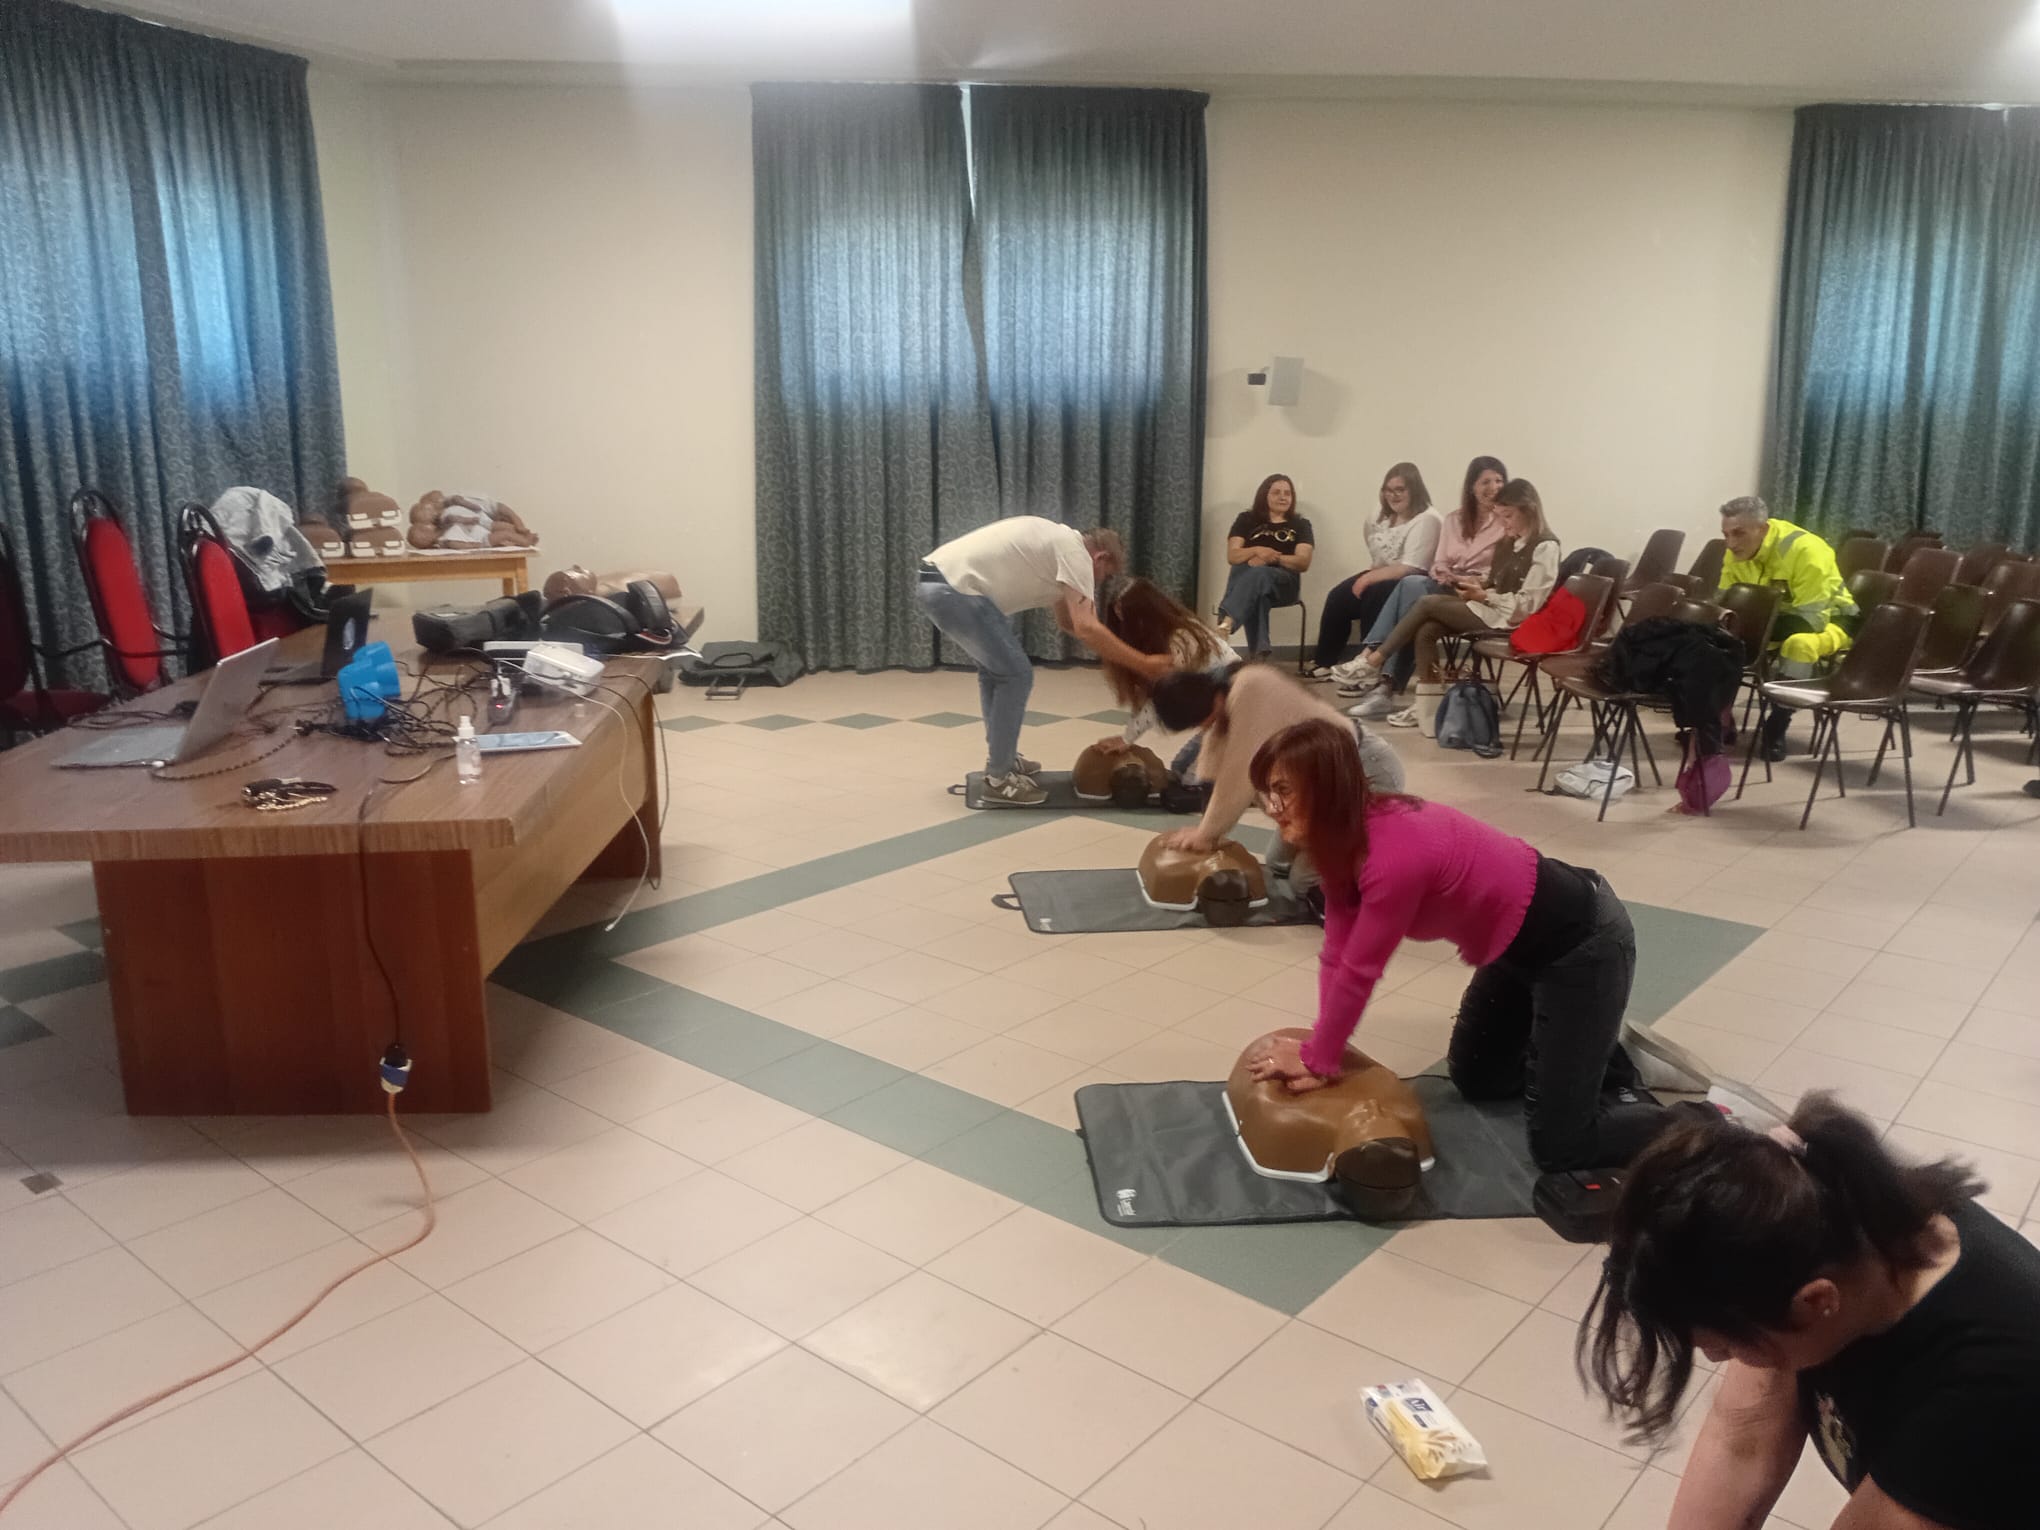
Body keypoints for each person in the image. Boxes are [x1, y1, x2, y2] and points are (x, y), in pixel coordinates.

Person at [1582, 1092, 2040, 1530]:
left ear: (1816, 1302)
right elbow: (1743, 1433)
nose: (1718, 1358)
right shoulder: (1816, 1229)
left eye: (1726, 1344)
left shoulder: (1993, 1380)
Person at [1242, 716, 1670, 1173]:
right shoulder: (1339, 844)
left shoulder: (1392, 856)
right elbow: (1336, 957)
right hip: (1513, 950)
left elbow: (1360, 971)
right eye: (1268, 792)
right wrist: (1320, 1053)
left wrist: (1320, 1059)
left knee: (1563, 1148)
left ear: (1325, 788)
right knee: (1479, 1079)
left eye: (1283, 791)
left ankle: (1701, 1119)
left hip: (1581, 944)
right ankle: (1595, 1049)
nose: (1272, 807)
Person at [917, 516, 1138, 805]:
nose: (1100, 581)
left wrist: (1113, 654)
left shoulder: (1060, 546)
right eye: (1106, 574)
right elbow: (1087, 626)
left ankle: (1003, 759)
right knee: (1016, 675)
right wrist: (1141, 663)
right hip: (956, 589)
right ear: (1101, 557)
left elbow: (1069, 622)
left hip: (937, 583)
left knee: (996, 672)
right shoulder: (1075, 552)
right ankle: (999, 779)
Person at [1149, 667, 1404, 891]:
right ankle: (1341, 849)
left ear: (1211, 700)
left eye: (1200, 722)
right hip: (1316, 785)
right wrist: (1206, 831)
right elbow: (1216, 770)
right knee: (1277, 862)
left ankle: (1376, 861)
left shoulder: (1250, 687)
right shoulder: (1225, 701)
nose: (1203, 727)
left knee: (1304, 882)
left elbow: (1239, 775)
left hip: (1361, 770)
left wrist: (1206, 833)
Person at [1350, 478, 1560, 735]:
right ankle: (1428, 704)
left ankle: (1374, 659)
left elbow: (1527, 605)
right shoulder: (1509, 541)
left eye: (1508, 516)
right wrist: (1474, 583)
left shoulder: (1545, 547)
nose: (1504, 523)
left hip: (1514, 620)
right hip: (1494, 608)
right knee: (1426, 630)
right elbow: (1497, 580)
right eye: (1501, 516)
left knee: (1427, 602)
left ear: (1529, 511)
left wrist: (1484, 596)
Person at [1337, 454, 1511, 701]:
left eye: (1499, 481)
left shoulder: (1508, 522)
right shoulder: (1454, 520)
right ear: (1472, 486)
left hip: (1480, 594)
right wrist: (1444, 572)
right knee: (1412, 585)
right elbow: (1439, 561)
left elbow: (1503, 572)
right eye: (1485, 482)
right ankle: (1378, 672)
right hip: (1449, 585)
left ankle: (1375, 668)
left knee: (1414, 597)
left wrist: (1476, 580)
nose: (1493, 488)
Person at [1718, 495, 1856, 763]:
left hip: (1832, 618)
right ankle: (1720, 720)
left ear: (1763, 529)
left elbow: (1812, 620)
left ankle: (1777, 725)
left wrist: (1753, 630)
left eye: (1739, 533)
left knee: (1799, 645)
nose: (1731, 543)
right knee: (1722, 640)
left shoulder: (1806, 550)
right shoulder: (1734, 553)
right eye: (1726, 535)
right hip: (1775, 619)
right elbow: (1725, 601)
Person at [1090, 576, 1237, 779]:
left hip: (1233, 706)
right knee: (1178, 768)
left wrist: (1127, 738)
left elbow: (1162, 698)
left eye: (1128, 620)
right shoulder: (1157, 636)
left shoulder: (1182, 639)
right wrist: (1128, 736)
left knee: (1193, 782)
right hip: (1213, 704)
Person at [1308, 463, 1443, 678]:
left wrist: (1368, 578)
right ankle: (1325, 661)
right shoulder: (1380, 514)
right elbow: (1375, 549)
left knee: (1374, 595)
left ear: (1414, 490)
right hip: (1385, 573)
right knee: (1338, 597)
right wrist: (1371, 575)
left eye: (1400, 490)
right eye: (1388, 490)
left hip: (1411, 581)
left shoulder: (1428, 519)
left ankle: (1369, 664)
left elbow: (1411, 567)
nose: (1393, 496)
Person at [1217, 474, 1315, 660]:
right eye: (1276, 492)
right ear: (1264, 495)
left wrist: (1272, 559)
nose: (1283, 497)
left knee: (1258, 573)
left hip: (1285, 584)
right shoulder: (1246, 519)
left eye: (1287, 493)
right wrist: (1257, 550)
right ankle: (1259, 655)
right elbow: (1233, 556)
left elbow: (1303, 562)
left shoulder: (1301, 524)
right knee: (1257, 591)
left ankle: (1226, 622)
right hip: (1255, 585)